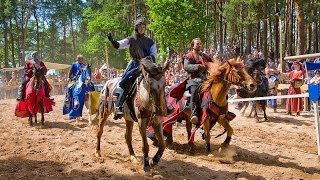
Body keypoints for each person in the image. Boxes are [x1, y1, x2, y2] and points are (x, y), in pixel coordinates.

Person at [107, 18, 157, 120]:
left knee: (159, 80)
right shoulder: (131, 39)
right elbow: (119, 45)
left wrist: (148, 58)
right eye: (140, 26)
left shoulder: (150, 41)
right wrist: (112, 41)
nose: (142, 29)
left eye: (143, 27)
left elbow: (154, 54)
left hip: (148, 65)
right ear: (136, 27)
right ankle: (119, 106)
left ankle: (162, 106)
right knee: (128, 81)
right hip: (135, 65)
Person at [183, 38, 212, 124]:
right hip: (194, 79)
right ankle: (194, 113)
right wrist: (198, 66)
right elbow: (186, 67)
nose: (199, 45)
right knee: (194, 89)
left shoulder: (205, 56)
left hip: (206, 79)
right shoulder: (189, 56)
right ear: (193, 46)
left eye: (200, 44)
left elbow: (212, 63)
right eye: (197, 44)